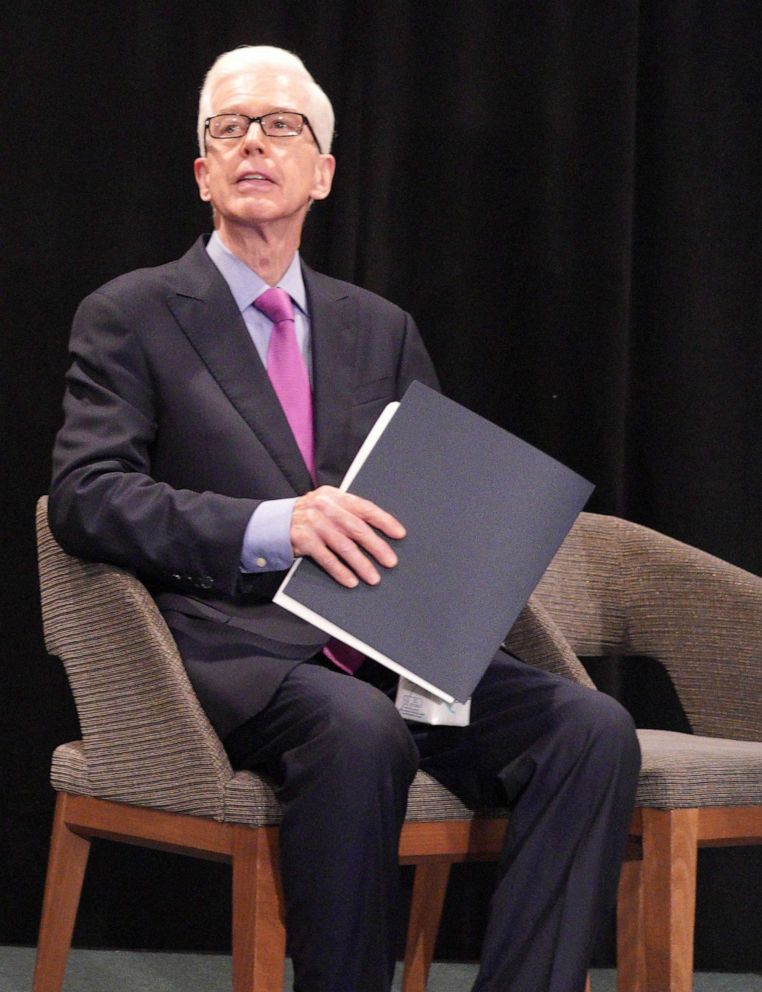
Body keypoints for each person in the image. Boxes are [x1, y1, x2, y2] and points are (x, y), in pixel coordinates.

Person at [49, 44, 640, 992]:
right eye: (229, 127)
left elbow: (428, 500)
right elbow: (86, 496)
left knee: (591, 730)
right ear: (201, 170)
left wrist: (467, 580)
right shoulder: (133, 314)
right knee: (360, 731)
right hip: (239, 653)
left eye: (281, 125)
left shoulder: (379, 325)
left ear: (321, 172)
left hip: (390, 645)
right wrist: (276, 524)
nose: (254, 141)